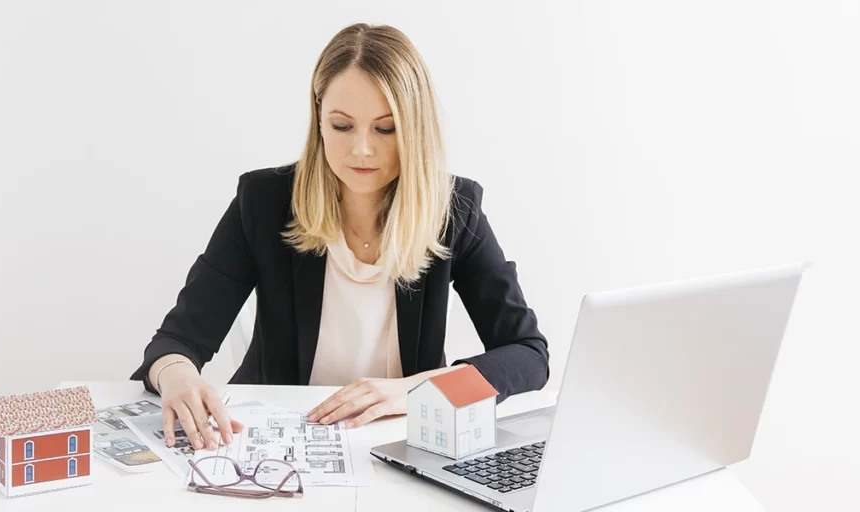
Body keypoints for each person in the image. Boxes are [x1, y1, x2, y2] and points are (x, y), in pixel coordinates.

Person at [129, 23, 549, 452]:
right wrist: (178, 375)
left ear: (414, 130)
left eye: (385, 129)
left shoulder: (454, 208)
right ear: (319, 119)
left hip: (401, 443)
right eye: (343, 125)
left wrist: (415, 389)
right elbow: (176, 341)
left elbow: (528, 354)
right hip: (273, 443)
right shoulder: (263, 200)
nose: (362, 149)